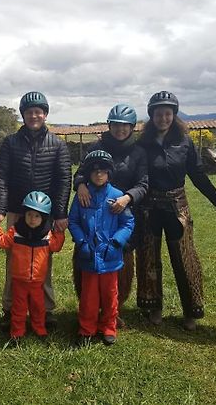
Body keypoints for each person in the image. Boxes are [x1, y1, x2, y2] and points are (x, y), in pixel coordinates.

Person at [136, 91, 216, 331]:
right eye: (159, 114)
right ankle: (154, 306)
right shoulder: (143, 144)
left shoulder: (185, 142)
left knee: (184, 259)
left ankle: (190, 310)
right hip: (149, 208)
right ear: (152, 116)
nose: (163, 118)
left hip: (176, 207)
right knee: (149, 258)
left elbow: (198, 176)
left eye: (168, 113)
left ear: (174, 115)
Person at [0, 91, 72, 329]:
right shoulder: (10, 143)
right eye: (29, 112)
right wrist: (1, 209)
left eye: (38, 111)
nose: (34, 116)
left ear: (45, 114)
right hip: (17, 209)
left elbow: (64, 179)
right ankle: (10, 307)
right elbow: (1, 177)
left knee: (43, 261)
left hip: (44, 213)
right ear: (23, 115)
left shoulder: (57, 144)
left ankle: (44, 309)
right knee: (14, 259)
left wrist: (61, 212)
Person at [73, 104, 148, 325]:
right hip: (92, 214)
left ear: (132, 127)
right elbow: (79, 172)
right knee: (86, 258)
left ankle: (114, 311)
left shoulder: (139, 152)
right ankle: (89, 309)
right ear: (109, 125)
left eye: (125, 126)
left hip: (123, 215)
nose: (120, 130)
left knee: (121, 262)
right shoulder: (95, 146)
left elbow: (144, 183)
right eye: (116, 125)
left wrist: (127, 198)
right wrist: (80, 185)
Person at [69, 150, 135, 346]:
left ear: (109, 173)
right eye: (95, 171)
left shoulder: (117, 196)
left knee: (110, 295)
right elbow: (73, 221)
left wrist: (116, 242)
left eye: (103, 171)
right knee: (88, 297)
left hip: (110, 258)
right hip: (89, 258)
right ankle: (86, 328)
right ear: (88, 173)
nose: (99, 175)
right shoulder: (82, 196)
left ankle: (108, 326)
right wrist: (81, 242)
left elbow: (128, 223)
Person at [0, 191, 65, 342]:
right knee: (18, 309)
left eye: (37, 216)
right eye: (29, 215)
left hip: (38, 281)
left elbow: (56, 246)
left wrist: (60, 232)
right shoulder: (16, 231)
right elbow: (3, 242)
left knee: (38, 308)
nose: (32, 219)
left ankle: (40, 329)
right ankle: (17, 332)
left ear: (43, 218)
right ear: (24, 215)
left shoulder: (47, 234)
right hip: (19, 280)